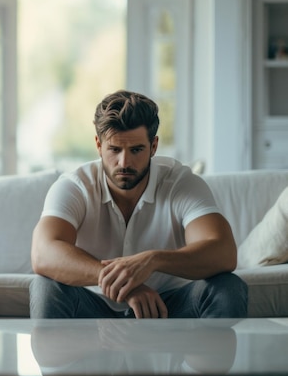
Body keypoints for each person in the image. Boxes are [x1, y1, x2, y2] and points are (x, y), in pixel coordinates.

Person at [30, 90, 248, 319]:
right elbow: (43, 252)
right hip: (94, 307)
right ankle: (73, 356)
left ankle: (202, 355)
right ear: (98, 145)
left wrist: (153, 260)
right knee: (45, 287)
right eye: (114, 149)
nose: (124, 162)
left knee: (228, 287)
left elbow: (223, 252)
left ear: (153, 146)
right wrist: (127, 284)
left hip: (165, 307)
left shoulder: (180, 183)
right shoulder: (75, 185)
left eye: (136, 150)